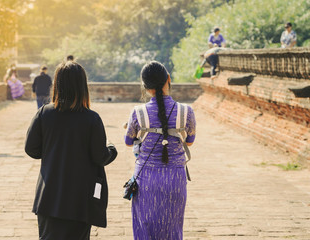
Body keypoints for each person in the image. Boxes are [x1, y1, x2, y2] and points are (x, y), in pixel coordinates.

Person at [25, 61, 118, 240]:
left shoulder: (44, 113)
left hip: (49, 198)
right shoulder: (91, 119)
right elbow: (101, 156)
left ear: (57, 85)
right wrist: (111, 149)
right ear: (82, 86)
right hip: (79, 202)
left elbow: (32, 150)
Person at [125, 61, 196, 239]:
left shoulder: (138, 112)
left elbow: (128, 141)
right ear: (168, 79)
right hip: (175, 178)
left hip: (146, 178)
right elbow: (189, 142)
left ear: (145, 87)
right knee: (173, 227)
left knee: (145, 228)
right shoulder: (186, 111)